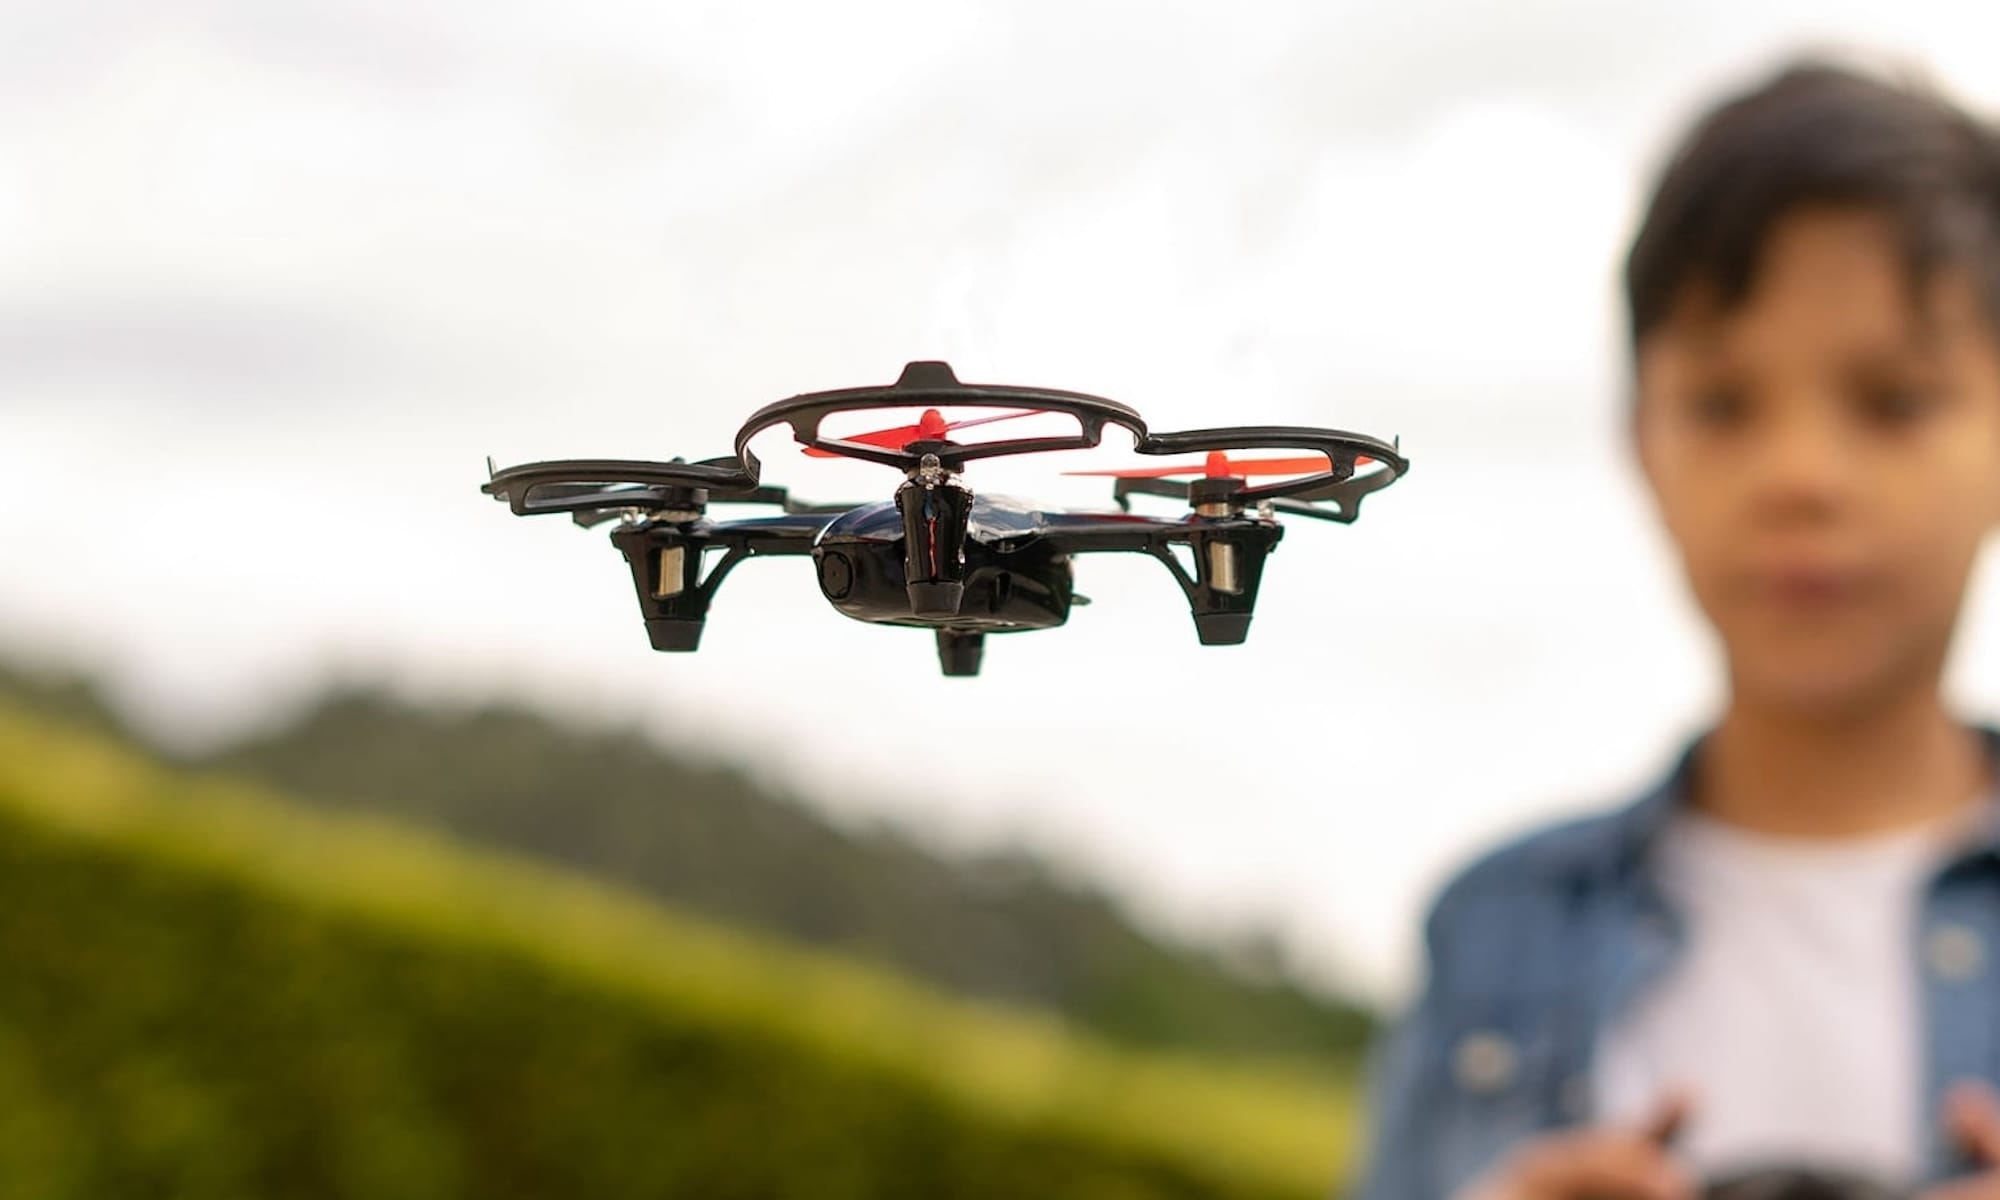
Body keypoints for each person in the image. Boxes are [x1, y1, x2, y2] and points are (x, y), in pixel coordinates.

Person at [1352, 57, 2000, 1199]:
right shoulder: (1497, 929)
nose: (1799, 477)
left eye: (1893, 401)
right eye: (1721, 404)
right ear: (1640, 442)